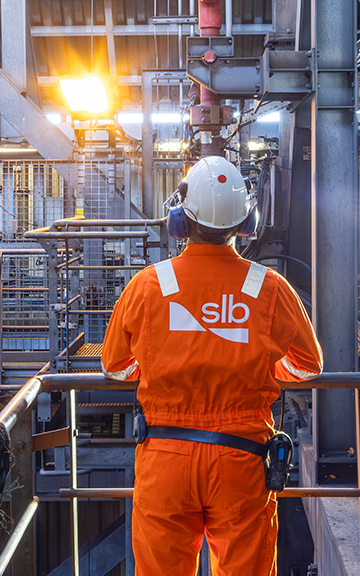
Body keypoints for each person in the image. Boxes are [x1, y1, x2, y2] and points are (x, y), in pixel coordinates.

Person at [101, 155, 323, 576]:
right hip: (241, 461)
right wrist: (257, 369)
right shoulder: (268, 287)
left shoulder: (150, 285)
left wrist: (160, 365)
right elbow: (308, 367)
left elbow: (115, 367)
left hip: (165, 459)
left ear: (180, 220)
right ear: (246, 222)